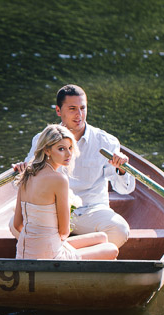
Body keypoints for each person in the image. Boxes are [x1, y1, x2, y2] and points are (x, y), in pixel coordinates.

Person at [15, 84, 135, 248]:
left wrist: (122, 169)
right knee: (14, 225)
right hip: (52, 212)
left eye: (82, 108)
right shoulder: (41, 140)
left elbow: (124, 190)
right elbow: (25, 184)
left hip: (90, 211)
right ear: (58, 110)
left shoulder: (107, 142)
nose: (79, 115)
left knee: (119, 230)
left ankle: (57, 250)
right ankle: (74, 251)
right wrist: (23, 172)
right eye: (72, 109)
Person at [12, 124, 118, 260]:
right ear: (47, 150)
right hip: (50, 255)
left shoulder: (26, 174)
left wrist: (39, 239)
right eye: (61, 149)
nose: (68, 154)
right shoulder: (59, 179)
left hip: (24, 251)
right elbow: (64, 232)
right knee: (111, 249)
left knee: (102, 237)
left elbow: (17, 225)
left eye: (70, 148)